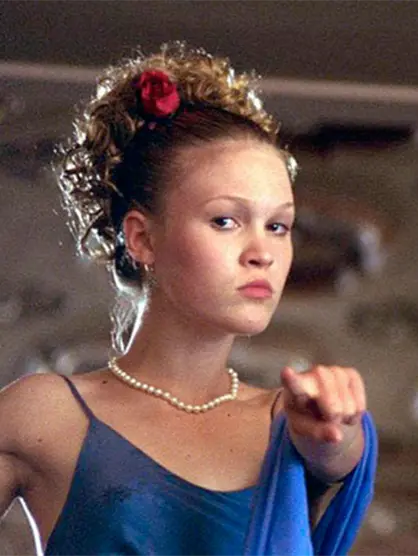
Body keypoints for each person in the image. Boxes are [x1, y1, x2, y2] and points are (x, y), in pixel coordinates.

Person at [0, 43, 376, 555]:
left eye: (278, 226)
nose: (262, 253)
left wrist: (338, 436)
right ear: (142, 238)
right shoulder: (45, 414)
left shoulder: (292, 423)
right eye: (225, 220)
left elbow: (338, 454)